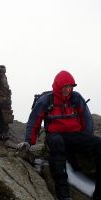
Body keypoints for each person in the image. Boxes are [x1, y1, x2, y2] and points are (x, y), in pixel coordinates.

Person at [17, 70, 101, 200]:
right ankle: (64, 194)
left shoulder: (76, 98)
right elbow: (35, 120)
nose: (68, 90)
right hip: (55, 135)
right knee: (57, 143)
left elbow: (87, 119)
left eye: (70, 87)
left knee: (98, 143)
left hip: (74, 134)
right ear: (58, 86)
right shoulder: (46, 100)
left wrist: (86, 138)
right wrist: (28, 141)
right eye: (65, 87)